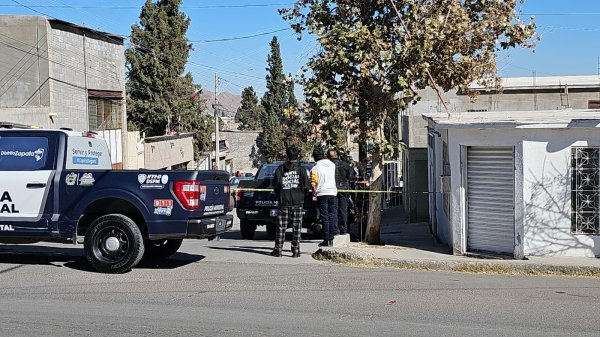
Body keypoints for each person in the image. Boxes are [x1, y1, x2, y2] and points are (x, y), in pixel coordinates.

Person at [271, 146, 310, 258]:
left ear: (287, 155)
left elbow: (275, 185)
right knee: (297, 228)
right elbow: (306, 187)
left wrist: (281, 194)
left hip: (284, 202)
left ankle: (278, 250)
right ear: (297, 156)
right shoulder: (302, 170)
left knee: (281, 227)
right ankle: (296, 251)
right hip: (298, 202)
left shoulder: (280, 169)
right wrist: (302, 194)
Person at [310, 146, 338, 247]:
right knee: (332, 215)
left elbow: (313, 183)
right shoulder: (332, 165)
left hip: (322, 193)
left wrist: (314, 194)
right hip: (332, 192)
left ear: (314, 157)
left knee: (324, 217)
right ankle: (331, 237)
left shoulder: (315, 168)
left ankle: (326, 239)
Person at [327, 148, 356, 235]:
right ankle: (343, 229)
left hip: (332, 190)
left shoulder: (328, 165)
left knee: (333, 210)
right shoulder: (345, 165)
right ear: (338, 155)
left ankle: (335, 230)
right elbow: (352, 177)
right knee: (343, 210)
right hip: (343, 190)